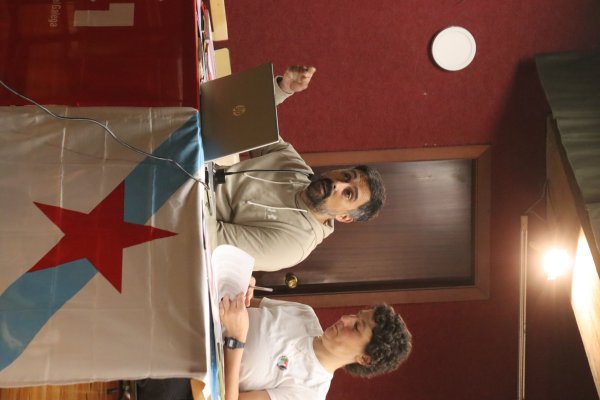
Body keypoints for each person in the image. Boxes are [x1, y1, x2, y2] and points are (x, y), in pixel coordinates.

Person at [215, 65, 386, 271]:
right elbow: (250, 122)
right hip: (190, 172)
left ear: (344, 217)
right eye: (346, 175)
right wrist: (283, 89)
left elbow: (206, 239)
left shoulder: (293, 245)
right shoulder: (295, 168)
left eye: (348, 194)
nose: (338, 184)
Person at [220, 292, 412, 400]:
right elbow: (240, 302)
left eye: (356, 327)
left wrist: (236, 339)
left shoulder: (310, 392)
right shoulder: (305, 313)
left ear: (364, 359)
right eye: (356, 315)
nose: (345, 319)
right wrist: (243, 289)